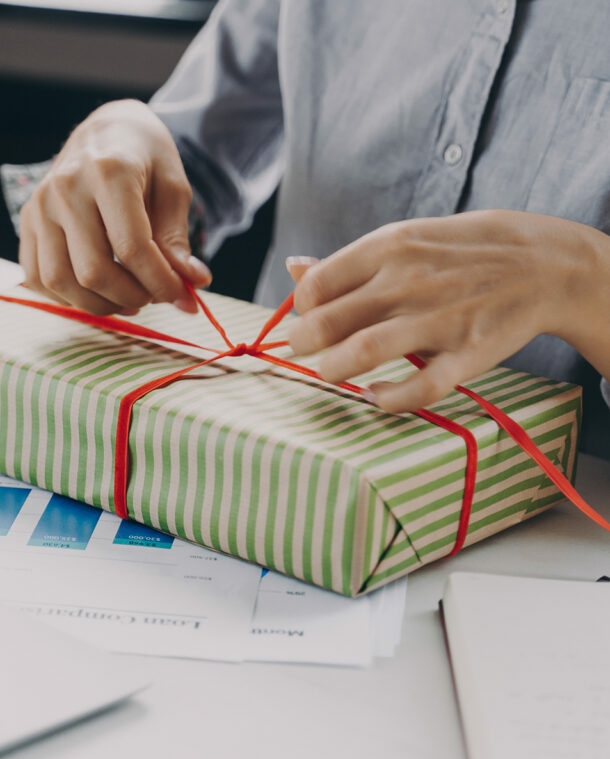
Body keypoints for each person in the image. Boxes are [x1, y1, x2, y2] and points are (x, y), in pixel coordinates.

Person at [12, 0, 610, 458]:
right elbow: (190, 158)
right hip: (257, 441)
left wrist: (584, 282)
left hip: (559, 536)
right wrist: (122, 138)